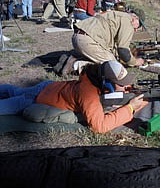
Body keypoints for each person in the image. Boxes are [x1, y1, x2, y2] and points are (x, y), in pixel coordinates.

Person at [0, 60, 145, 133]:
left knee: (15, 91)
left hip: (48, 87)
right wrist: (130, 108)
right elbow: (99, 127)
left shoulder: (93, 79)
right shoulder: (88, 94)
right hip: (37, 99)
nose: (126, 86)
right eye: (122, 84)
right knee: (10, 103)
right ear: (107, 84)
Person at [68, 10, 145, 75]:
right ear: (135, 18)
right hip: (89, 41)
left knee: (105, 59)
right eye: (138, 26)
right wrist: (135, 62)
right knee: (114, 67)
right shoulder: (128, 21)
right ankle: (75, 65)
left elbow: (114, 47)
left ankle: (73, 59)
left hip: (78, 37)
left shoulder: (116, 15)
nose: (135, 30)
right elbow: (123, 50)